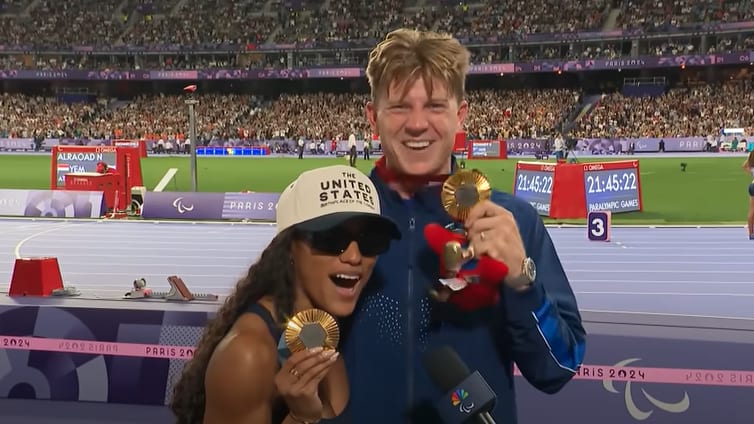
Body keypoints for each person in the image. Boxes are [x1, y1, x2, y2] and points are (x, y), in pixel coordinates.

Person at [339, 28, 587, 423]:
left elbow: (558, 367)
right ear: (373, 117)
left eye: (436, 106)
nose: (417, 124)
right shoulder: (338, 219)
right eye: (400, 107)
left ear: (460, 115)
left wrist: (522, 283)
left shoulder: (511, 221)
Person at [169, 164, 401, 424]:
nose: (354, 256)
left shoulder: (350, 322)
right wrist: (301, 416)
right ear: (290, 246)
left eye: (371, 241)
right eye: (332, 240)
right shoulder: (249, 355)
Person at [742, 150, 754, 239]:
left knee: (752, 210)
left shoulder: (752, 166)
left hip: (752, 186)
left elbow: (744, 166)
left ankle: (751, 233)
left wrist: (749, 158)